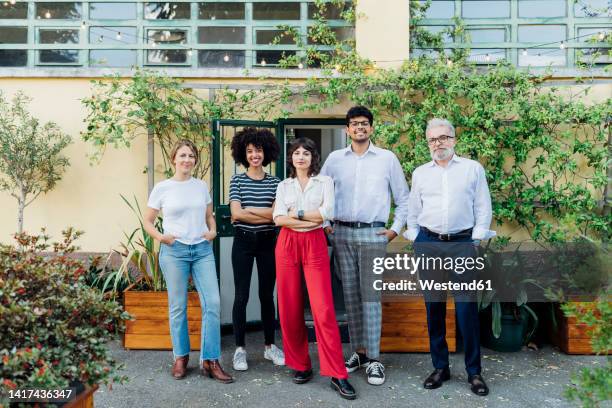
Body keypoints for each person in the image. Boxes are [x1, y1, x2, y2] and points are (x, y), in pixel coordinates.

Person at [404, 118, 495, 396]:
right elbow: (413, 209)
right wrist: (416, 237)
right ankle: (440, 367)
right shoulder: (421, 173)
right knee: (434, 307)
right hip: (428, 243)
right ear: (428, 143)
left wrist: (476, 239)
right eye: (433, 139)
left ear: (454, 139)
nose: (438, 143)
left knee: (467, 309)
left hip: (462, 244)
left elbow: (483, 205)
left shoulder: (472, 169)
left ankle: (474, 372)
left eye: (443, 138)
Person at [320, 106, 410, 386]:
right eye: (354, 124)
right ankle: (357, 353)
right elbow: (319, 192)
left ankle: (374, 360)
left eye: (364, 124)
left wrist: (395, 230)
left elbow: (404, 199)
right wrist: (325, 226)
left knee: (370, 298)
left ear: (371, 128)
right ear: (347, 129)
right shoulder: (335, 159)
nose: (360, 127)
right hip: (342, 234)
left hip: (374, 234)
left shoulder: (387, 159)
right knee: (350, 297)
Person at [273, 137, 356, 400]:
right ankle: (301, 365)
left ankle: (337, 373)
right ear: (291, 158)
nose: (300, 157)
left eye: (306, 153)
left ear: (313, 158)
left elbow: (326, 213)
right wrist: (307, 217)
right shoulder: (283, 185)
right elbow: (277, 217)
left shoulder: (325, 182)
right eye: (296, 153)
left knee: (323, 309)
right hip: (287, 244)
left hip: (314, 242)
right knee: (289, 306)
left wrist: (295, 216)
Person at [144, 139, 233, 383]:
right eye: (182, 155)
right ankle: (181, 357)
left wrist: (213, 231)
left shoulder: (201, 186)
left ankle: (210, 360)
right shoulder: (162, 188)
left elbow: (209, 216)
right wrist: (162, 237)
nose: (187, 159)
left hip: (202, 250)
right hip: (175, 252)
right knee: (178, 307)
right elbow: (148, 221)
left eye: (191, 155)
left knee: (213, 303)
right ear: (174, 159)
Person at [229, 127, 285, 371]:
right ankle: (240, 349)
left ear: (266, 152)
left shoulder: (276, 183)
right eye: (249, 151)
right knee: (241, 296)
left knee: (266, 295)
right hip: (242, 241)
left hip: (267, 242)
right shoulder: (237, 180)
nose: (254, 155)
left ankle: (270, 346)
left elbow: (276, 216)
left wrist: (248, 212)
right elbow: (234, 213)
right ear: (243, 154)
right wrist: (263, 214)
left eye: (258, 150)